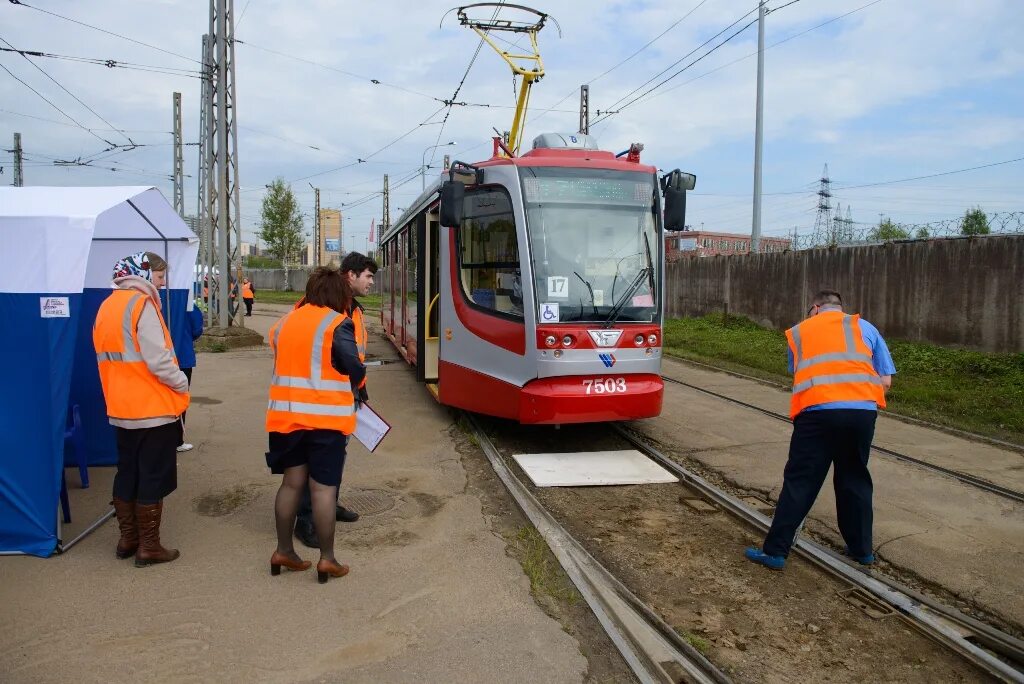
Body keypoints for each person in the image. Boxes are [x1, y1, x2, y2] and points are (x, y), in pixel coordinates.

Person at [745, 290, 895, 570]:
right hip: (861, 414)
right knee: (854, 478)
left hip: (817, 414)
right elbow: (885, 380)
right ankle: (862, 551)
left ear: (815, 308)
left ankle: (776, 552)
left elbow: (800, 373)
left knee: (801, 481)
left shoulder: (799, 332)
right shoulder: (865, 327)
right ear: (840, 308)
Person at [266, 265, 366, 583]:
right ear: (338, 295)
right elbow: (353, 364)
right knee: (323, 489)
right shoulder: (337, 324)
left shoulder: (283, 324)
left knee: (292, 484)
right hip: (325, 421)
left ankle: (284, 551)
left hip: (285, 419)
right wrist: (359, 380)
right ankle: (327, 560)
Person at [94, 251, 190, 567]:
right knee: (152, 474)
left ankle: (127, 540)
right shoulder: (141, 306)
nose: (162, 285)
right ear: (144, 274)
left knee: (127, 472)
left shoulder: (108, 306)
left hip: (120, 407)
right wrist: (181, 383)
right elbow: (158, 360)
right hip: (151, 407)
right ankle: (149, 547)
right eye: (160, 278)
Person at [293, 252, 377, 548]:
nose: (371, 283)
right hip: (319, 397)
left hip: (342, 393)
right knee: (313, 461)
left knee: (335, 457)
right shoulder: (328, 302)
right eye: (368, 276)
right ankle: (306, 520)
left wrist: (358, 388)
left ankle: (330, 505)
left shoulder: (351, 306)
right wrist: (359, 380)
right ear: (350, 275)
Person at [176, 300, 205, 453]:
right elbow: (197, 328)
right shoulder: (186, 301)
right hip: (182, 356)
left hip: (158, 358)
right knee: (180, 399)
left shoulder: (149, 300)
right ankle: (177, 440)